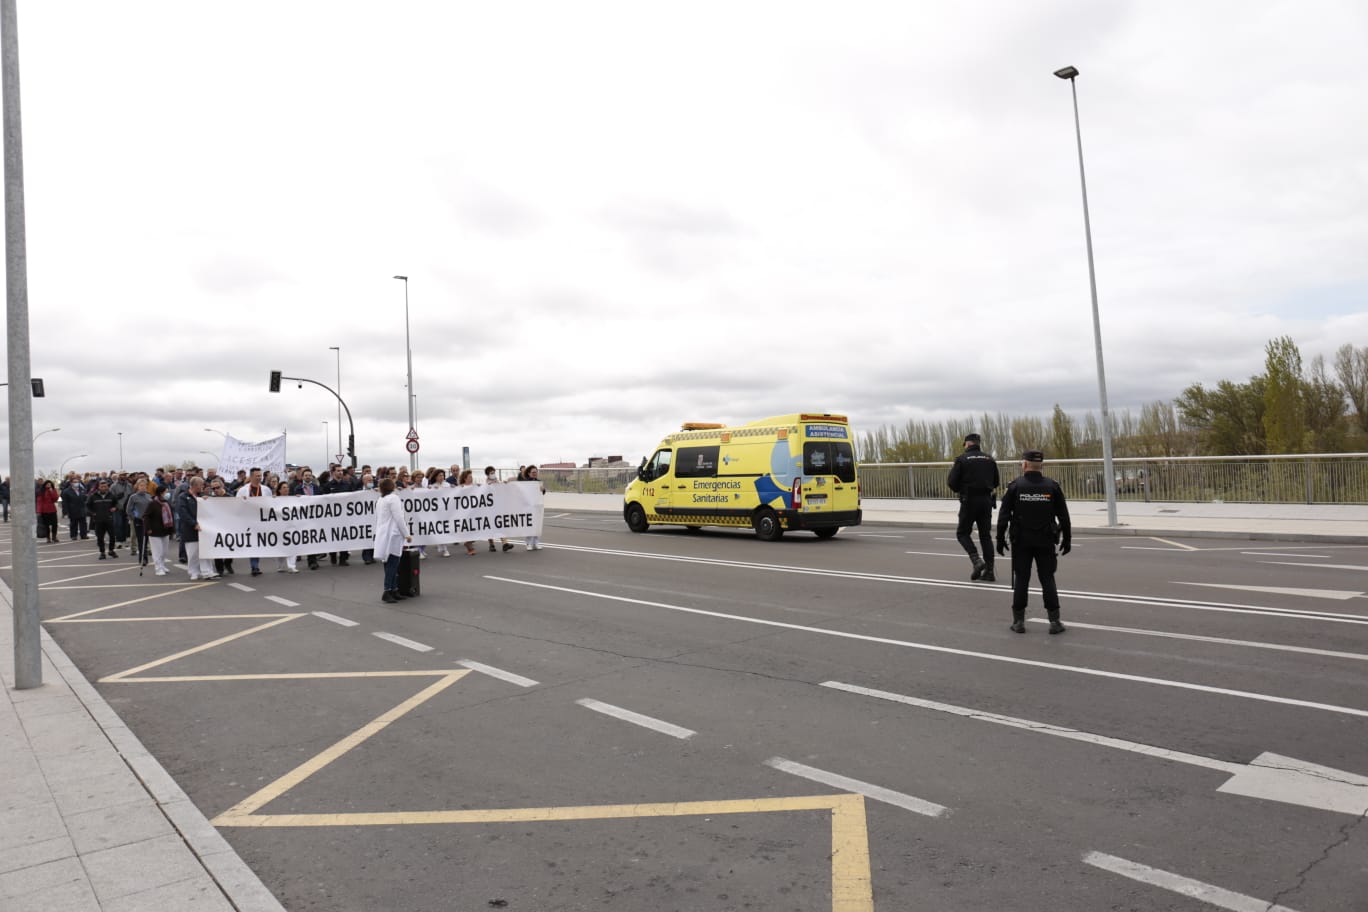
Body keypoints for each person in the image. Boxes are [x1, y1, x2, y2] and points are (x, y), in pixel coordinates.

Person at [996, 449, 1071, 635]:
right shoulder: (1052, 486)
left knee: (1022, 578)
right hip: (1045, 539)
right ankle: (1054, 622)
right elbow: (1064, 516)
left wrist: (999, 539)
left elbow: (1003, 515)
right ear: (1042, 465)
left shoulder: (1015, 486)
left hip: (1021, 540)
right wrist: (1067, 539)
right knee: (1047, 578)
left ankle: (1019, 622)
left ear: (1024, 464)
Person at [947, 432, 1000, 582]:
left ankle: (976, 560)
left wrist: (962, 490)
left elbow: (951, 482)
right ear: (978, 443)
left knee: (962, 533)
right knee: (985, 535)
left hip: (969, 500)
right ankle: (989, 572)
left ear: (967, 444)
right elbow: (996, 481)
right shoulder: (990, 459)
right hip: (986, 501)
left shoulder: (962, 459)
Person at [373, 476, 412, 604]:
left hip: (384, 533)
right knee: (393, 564)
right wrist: (406, 534)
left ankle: (394, 589)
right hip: (392, 535)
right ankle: (387, 590)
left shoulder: (381, 499)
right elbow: (399, 518)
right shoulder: (393, 498)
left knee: (389, 562)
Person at [176, 476, 218, 580]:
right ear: (195, 485)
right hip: (190, 529)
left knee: (205, 550)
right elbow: (183, 512)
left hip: (203, 528)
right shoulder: (183, 496)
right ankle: (193, 572)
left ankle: (207, 571)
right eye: (201, 484)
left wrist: (206, 500)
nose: (202, 486)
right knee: (193, 552)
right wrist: (193, 523)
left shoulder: (202, 496)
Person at [235, 467, 272, 576]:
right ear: (251, 477)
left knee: (258, 543)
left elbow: (270, 504)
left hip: (261, 520)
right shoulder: (243, 490)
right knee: (252, 543)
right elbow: (236, 504)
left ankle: (255, 565)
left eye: (260, 475)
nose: (259, 477)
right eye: (257, 476)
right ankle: (254, 566)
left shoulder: (266, 489)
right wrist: (243, 502)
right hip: (248, 521)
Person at [144, 483, 176, 576]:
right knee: (157, 551)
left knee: (164, 551)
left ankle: (162, 565)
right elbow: (146, 516)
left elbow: (171, 517)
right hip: (154, 531)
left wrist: (172, 529)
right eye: (166, 492)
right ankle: (158, 568)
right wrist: (148, 528)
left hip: (165, 530)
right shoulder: (153, 503)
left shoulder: (166, 503)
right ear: (161, 493)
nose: (168, 493)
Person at [484, 466, 514, 552]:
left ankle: (505, 544)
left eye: (494, 472)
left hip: (498, 508)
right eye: (491, 473)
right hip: (489, 509)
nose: (493, 474)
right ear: (487, 474)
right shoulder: (486, 484)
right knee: (490, 527)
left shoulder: (498, 481)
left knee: (501, 525)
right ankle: (491, 544)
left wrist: (504, 484)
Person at [87, 480, 119, 559]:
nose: (104, 488)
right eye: (102, 486)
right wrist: (92, 513)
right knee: (100, 537)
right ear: (99, 487)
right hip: (98, 520)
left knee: (112, 536)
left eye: (105, 486)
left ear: (108, 487)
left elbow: (117, 504)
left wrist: (115, 508)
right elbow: (88, 506)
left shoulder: (111, 495)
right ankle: (102, 552)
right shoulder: (93, 496)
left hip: (109, 519)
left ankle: (111, 550)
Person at [125, 477, 153, 561]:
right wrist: (134, 517)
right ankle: (142, 558)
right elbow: (128, 510)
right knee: (141, 540)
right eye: (141, 485)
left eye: (144, 486)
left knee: (147, 538)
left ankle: (146, 556)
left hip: (148, 521)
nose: (143, 487)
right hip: (138, 521)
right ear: (137, 486)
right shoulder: (133, 497)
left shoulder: (148, 496)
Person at [522, 464, 545, 550]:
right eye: (533, 472)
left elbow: (542, 494)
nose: (535, 473)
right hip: (527, 506)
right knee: (529, 525)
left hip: (537, 506)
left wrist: (543, 490)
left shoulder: (539, 482)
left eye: (536, 472)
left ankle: (536, 542)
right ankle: (528, 543)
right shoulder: (525, 482)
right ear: (529, 473)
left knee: (537, 525)